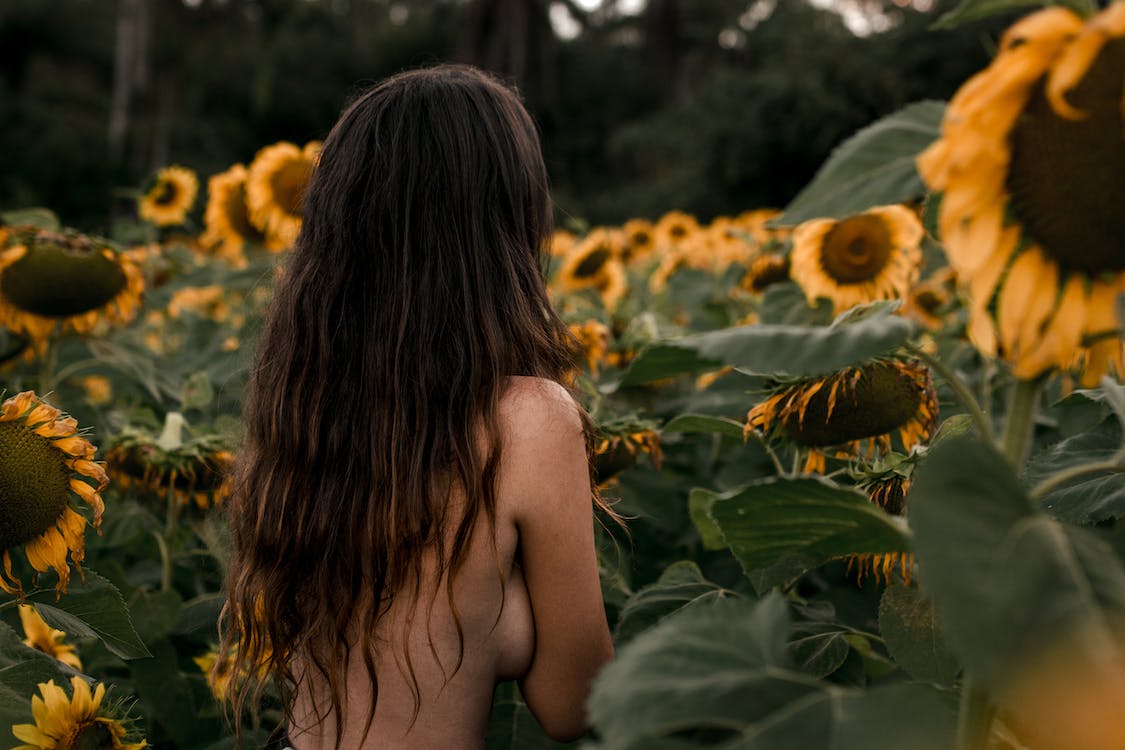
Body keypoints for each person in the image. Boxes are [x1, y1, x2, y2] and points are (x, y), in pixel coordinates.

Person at [217, 64, 615, 749]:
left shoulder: (307, 401)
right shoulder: (528, 420)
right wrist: (508, 622)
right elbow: (574, 705)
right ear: (506, 222)